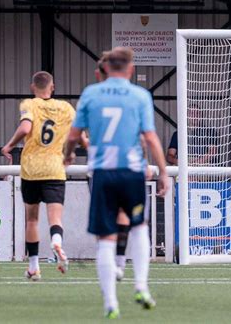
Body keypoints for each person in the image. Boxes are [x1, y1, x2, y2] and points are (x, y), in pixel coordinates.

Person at [64, 47, 169, 319]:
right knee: (138, 228)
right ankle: (141, 286)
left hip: (103, 173)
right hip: (131, 173)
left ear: (105, 68)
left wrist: (68, 155)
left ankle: (111, 303)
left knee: (106, 238)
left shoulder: (91, 94)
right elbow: (150, 137)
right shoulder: (140, 96)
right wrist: (163, 172)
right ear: (131, 69)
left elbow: (74, 134)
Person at [1, 71, 74, 280]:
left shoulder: (29, 104)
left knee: (32, 220)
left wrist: (9, 145)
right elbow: (77, 136)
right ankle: (57, 241)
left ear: (33, 87)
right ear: (52, 87)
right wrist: (70, 154)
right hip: (55, 169)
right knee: (55, 218)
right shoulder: (65, 108)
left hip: (31, 169)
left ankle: (33, 267)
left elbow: (25, 128)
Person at [92, 53, 153, 282]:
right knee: (126, 217)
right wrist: (145, 162)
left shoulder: (94, 98)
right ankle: (122, 266)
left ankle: (114, 265)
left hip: (104, 169)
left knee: (108, 221)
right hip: (129, 169)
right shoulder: (134, 97)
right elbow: (144, 137)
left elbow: (83, 136)